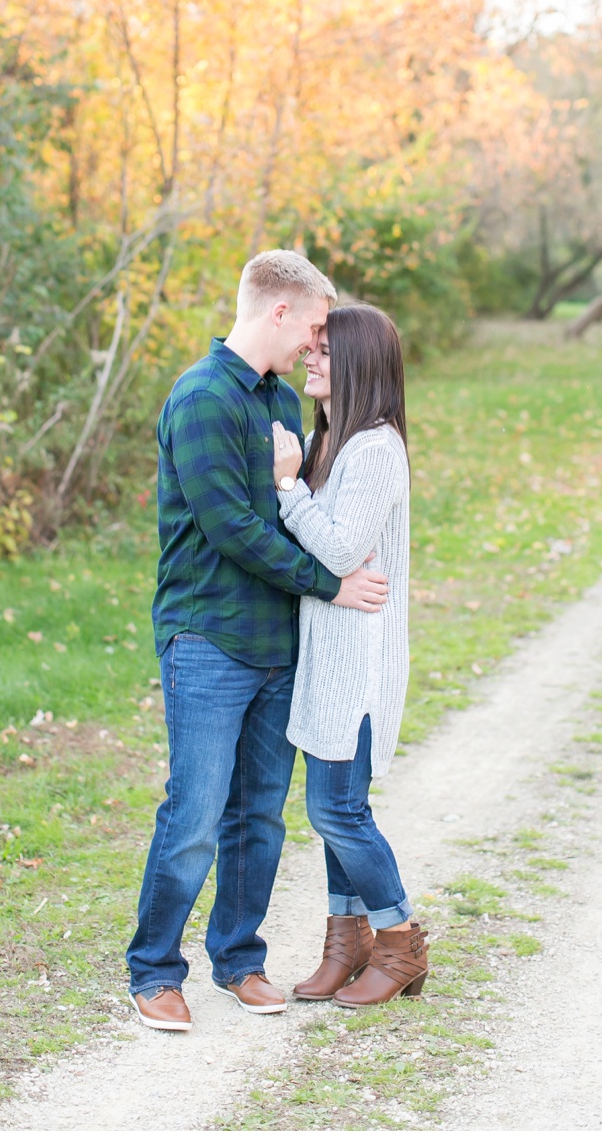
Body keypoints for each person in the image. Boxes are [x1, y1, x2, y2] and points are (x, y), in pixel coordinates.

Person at [126, 250, 392, 1032]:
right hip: (208, 636)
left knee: (260, 817)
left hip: (279, 643)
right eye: (314, 326)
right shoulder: (202, 397)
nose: (318, 345)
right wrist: (332, 584)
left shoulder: (279, 403)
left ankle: (239, 958)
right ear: (279, 311)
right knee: (197, 810)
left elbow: (298, 503)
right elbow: (236, 530)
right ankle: (154, 971)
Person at [269, 300, 427, 1006]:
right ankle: (347, 939)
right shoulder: (334, 439)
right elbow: (333, 548)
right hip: (326, 658)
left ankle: (400, 942)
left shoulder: (375, 450)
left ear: (359, 362)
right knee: (335, 806)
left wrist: (286, 485)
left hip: (356, 665)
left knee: (338, 812)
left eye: (325, 350)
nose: (310, 355)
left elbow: (335, 547)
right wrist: (302, 478)